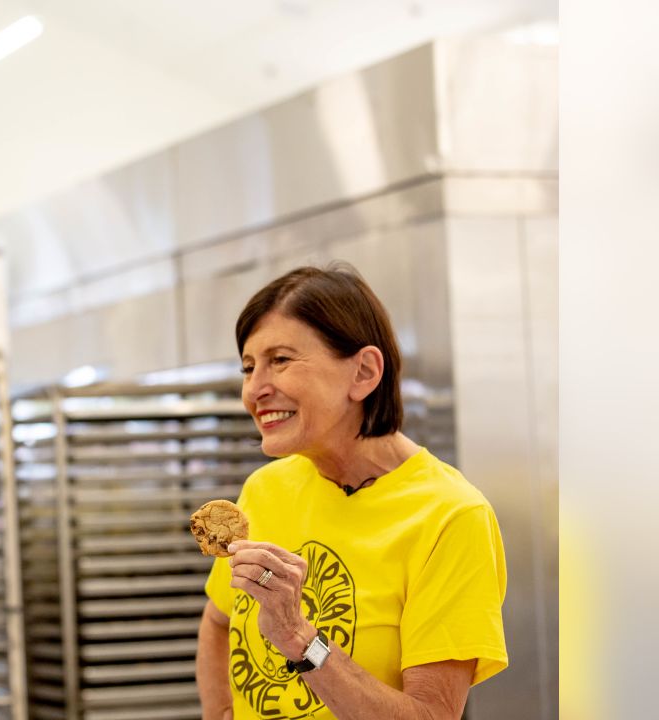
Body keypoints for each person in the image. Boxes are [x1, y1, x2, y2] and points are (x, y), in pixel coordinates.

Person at [196, 265, 507, 720]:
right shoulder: (266, 489)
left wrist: (298, 635)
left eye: (280, 360)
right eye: (248, 367)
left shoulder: (451, 516)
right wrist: (220, 712)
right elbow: (218, 622)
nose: (254, 389)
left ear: (363, 372)